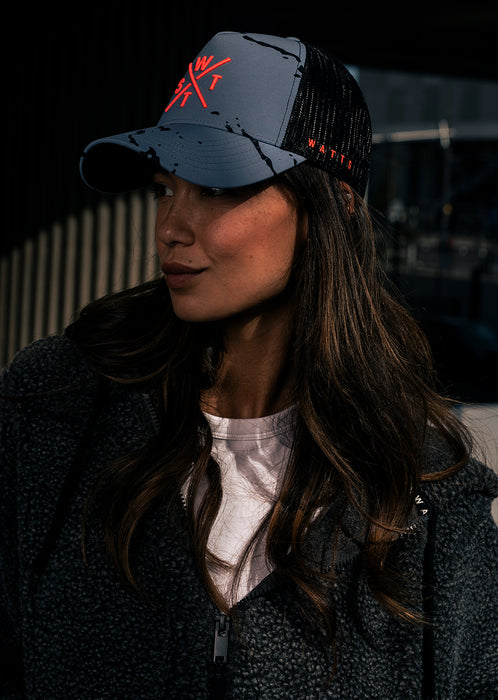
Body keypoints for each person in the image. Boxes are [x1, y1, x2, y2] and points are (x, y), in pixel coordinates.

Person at [1, 31, 497, 699]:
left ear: (331, 205)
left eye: (214, 184)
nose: (170, 227)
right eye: (164, 188)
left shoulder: (429, 505)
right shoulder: (54, 410)